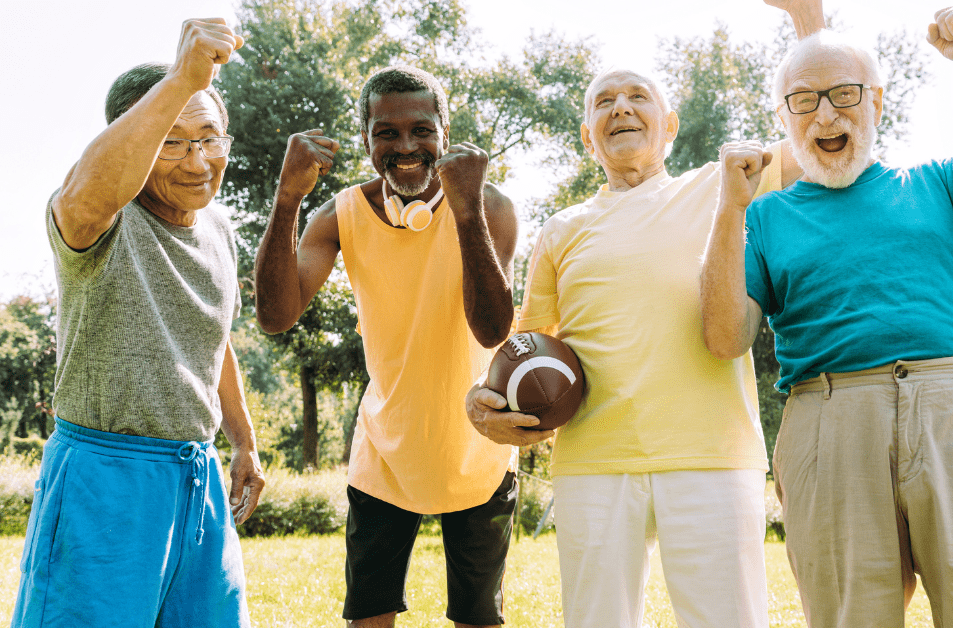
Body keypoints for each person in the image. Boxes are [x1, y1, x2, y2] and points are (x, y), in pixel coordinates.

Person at [700, 2, 953, 627]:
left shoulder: (939, 183)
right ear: (783, 119)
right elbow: (725, 337)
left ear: (878, 103)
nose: (826, 114)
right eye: (803, 101)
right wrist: (728, 208)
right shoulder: (765, 218)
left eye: (845, 94)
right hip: (831, 424)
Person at [463, 3, 820, 626]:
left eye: (637, 96)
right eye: (604, 101)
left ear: (670, 124)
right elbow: (526, 344)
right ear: (587, 135)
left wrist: (808, 21)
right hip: (594, 461)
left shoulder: (724, 186)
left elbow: (816, 136)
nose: (620, 107)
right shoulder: (561, 229)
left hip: (712, 455)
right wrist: (484, 401)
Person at [12, 18, 266, 628]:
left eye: (209, 137)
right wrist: (182, 79)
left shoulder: (220, 231)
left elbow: (213, 338)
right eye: (171, 140)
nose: (197, 160)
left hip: (196, 475)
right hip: (104, 478)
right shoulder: (97, 218)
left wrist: (244, 442)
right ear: (134, 139)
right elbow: (86, 195)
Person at [253, 65, 519, 628]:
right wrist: (286, 200)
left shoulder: (489, 206)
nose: (405, 147)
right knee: (369, 616)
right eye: (386, 133)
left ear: (445, 134)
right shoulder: (341, 214)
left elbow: (492, 329)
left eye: (422, 130)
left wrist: (465, 210)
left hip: (479, 447)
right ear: (366, 139)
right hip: (384, 450)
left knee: (479, 618)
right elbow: (276, 316)